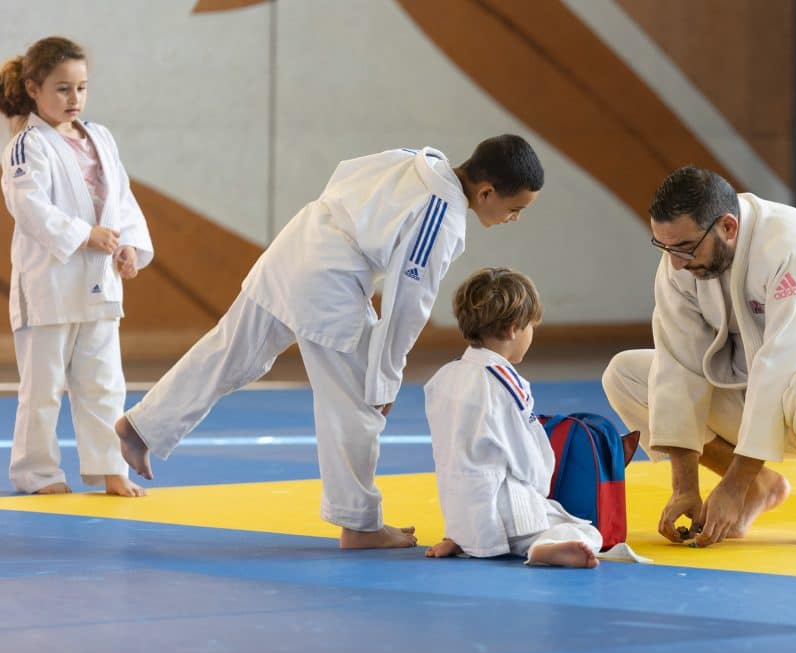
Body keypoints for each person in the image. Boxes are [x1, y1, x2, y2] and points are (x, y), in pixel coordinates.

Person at [115, 136, 544, 549]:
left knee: (228, 351)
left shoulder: (415, 157)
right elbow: (407, 304)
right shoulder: (443, 217)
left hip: (297, 243)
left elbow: (344, 175)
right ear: (486, 192)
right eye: (515, 209)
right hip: (329, 279)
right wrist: (385, 378)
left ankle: (144, 425)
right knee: (356, 402)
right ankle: (359, 524)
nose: (515, 218)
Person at [602, 166, 796, 548]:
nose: (676, 262)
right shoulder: (680, 259)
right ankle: (761, 486)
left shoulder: (794, 245)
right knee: (626, 375)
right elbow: (677, 367)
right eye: (665, 247)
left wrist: (734, 485)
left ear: (728, 227)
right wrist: (685, 487)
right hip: (758, 396)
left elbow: (783, 366)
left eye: (684, 248)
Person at [0, 36, 153, 496]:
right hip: (48, 284)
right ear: (33, 88)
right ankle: (38, 473)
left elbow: (122, 199)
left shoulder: (100, 138)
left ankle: (111, 467)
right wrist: (85, 235)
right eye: (63, 88)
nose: (74, 98)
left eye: (81, 88)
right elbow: (29, 208)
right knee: (43, 388)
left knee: (104, 382)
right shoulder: (26, 145)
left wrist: (128, 245)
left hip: (99, 282)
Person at [424, 267, 601, 568]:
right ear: (512, 329)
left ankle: (463, 540)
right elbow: (527, 452)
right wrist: (540, 489)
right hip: (504, 516)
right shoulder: (503, 381)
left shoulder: (442, 378)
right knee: (586, 531)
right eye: (531, 327)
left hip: (460, 514)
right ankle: (541, 546)